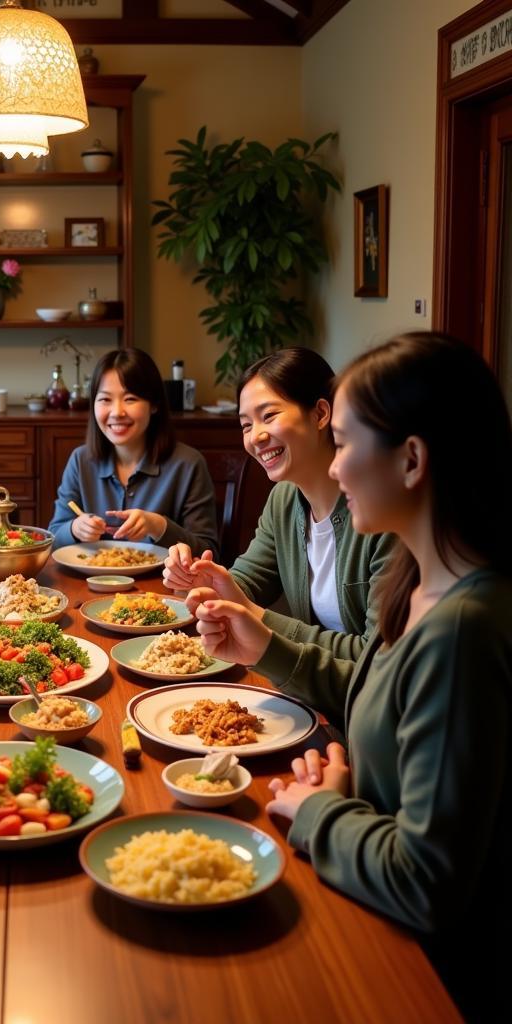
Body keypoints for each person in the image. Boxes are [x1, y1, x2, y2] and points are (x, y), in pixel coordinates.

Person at [194, 333, 512, 1021]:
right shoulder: (415, 582)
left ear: (412, 460)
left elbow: (428, 882)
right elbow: (374, 712)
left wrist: (321, 814)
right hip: (360, 865)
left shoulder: (462, 627)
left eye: (342, 444)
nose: (333, 472)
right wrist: (338, 787)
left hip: (426, 973)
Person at [163, 348, 394, 659]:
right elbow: (249, 579)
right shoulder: (285, 499)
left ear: (321, 414)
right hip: (308, 692)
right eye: (246, 425)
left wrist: (257, 619)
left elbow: (374, 658)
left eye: (269, 416)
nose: (255, 436)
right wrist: (209, 581)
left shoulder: (384, 511)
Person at [48, 349, 218, 553]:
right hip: (88, 583)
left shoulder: (188, 464)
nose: (117, 412)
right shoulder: (80, 460)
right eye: (105, 399)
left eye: (130, 399)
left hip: (162, 583)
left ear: (154, 405)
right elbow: (52, 538)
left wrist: (160, 527)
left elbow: (209, 552)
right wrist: (74, 529)